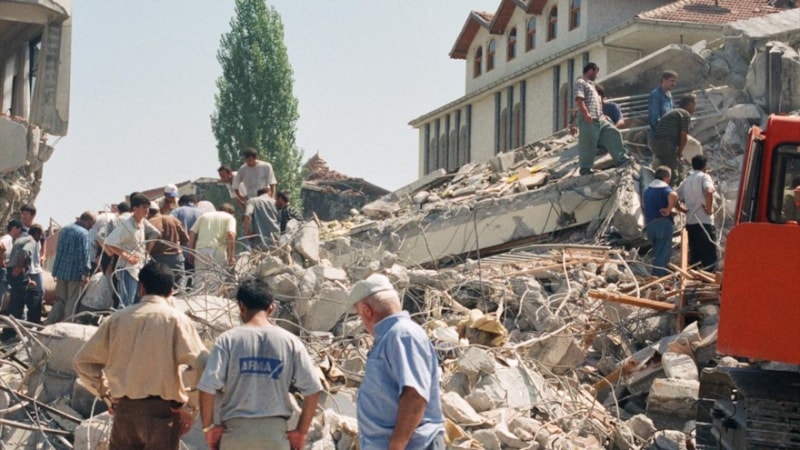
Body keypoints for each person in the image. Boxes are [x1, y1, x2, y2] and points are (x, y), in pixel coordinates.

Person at [73, 261, 207, 450]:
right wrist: (190, 407)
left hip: (125, 412)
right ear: (171, 291)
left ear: (141, 288)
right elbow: (201, 364)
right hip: (164, 414)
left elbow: (83, 362)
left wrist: (107, 394)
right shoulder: (177, 321)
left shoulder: (117, 319)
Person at [198, 278, 323, 450]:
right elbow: (314, 390)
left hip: (235, 435)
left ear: (241, 307)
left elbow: (207, 388)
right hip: (275, 436)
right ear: (272, 307)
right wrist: (301, 432)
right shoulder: (290, 342)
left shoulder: (227, 340)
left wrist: (208, 428)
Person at [348, 273, 445, 449]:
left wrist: (396, 445)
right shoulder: (393, 336)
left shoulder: (402, 335)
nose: (362, 322)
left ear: (367, 311)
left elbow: (415, 396)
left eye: (360, 316)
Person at [574, 62, 630, 175]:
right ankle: (586, 170)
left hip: (599, 119)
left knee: (613, 133)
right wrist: (586, 114)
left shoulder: (593, 86)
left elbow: (596, 103)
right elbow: (579, 100)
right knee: (588, 143)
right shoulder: (580, 82)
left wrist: (602, 116)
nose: (596, 76)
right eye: (596, 73)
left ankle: (621, 160)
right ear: (591, 70)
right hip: (589, 119)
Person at [104, 192, 154, 307]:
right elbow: (109, 243)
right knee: (126, 302)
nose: (147, 210)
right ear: (135, 209)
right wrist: (127, 256)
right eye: (143, 207)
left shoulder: (142, 223)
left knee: (137, 301)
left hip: (139, 267)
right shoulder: (127, 225)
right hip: (127, 269)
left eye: (148, 207)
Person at [47, 212, 96, 324]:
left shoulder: (65, 229)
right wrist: (86, 273)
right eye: (92, 224)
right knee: (72, 300)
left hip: (60, 271)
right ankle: (67, 323)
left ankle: (51, 321)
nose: (92, 226)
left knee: (60, 300)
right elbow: (84, 255)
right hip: (75, 273)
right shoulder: (83, 233)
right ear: (87, 221)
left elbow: (59, 250)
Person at [3, 224, 45, 340]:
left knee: (16, 301)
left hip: (13, 272)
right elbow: (25, 253)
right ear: (37, 233)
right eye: (40, 235)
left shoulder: (22, 239)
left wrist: (28, 278)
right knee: (18, 304)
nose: (41, 238)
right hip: (17, 272)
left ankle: (11, 330)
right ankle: (10, 333)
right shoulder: (31, 240)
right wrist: (19, 267)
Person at [677, 155, 718, 271]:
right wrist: (709, 209)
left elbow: (674, 195)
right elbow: (709, 191)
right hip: (704, 222)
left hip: (691, 223)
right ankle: (708, 279)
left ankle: (695, 279)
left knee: (695, 257)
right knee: (709, 256)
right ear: (705, 166)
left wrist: (682, 210)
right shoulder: (705, 177)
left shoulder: (687, 180)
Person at [188, 203, 236, 289]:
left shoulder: (204, 216)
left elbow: (192, 232)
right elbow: (230, 234)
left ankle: (198, 296)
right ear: (232, 213)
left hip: (200, 250)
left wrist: (191, 252)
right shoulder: (230, 218)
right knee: (216, 282)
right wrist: (231, 256)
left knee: (199, 280)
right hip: (217, 252)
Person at [651, 94, 696, 185]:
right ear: (689, 104)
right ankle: (670, 190)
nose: (695, 107)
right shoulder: (685, 114)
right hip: (666, 143)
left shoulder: (674, 112)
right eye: (694, 104)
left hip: (656, 142)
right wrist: (680, 152)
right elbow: (683, 136)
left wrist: (678, 152)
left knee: (666, 168)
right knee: (672, 174)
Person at [643, 167, 679, 276]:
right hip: (663, 224)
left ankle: (655, 276)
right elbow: (674, 195)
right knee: (662, 253)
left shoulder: (648, 190)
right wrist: (668, 209)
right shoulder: (664, 188)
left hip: (650, 225)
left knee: (657, 252)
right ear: (666, 177)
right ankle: (659, 278)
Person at [147, 202, 189, 289]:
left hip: (157, 258)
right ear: (158, 210)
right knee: (179, 282)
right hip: (176, 257)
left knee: (161, 284)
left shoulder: (149, 223)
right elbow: (185, 239)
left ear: (148, 212)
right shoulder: (172, 219)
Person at [648, 70, 678, 139]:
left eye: (675, 81)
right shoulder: (656, 95)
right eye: (672, 81)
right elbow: (654, 119)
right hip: (659, 136)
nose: (674, 84)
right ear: (664, 80)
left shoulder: (669, 94)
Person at [0, 220, 23, 306]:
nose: (20, 233)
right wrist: (1, 261)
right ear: (15, 229)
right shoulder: (8, 238)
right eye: (20, 230)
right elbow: (1, 246)